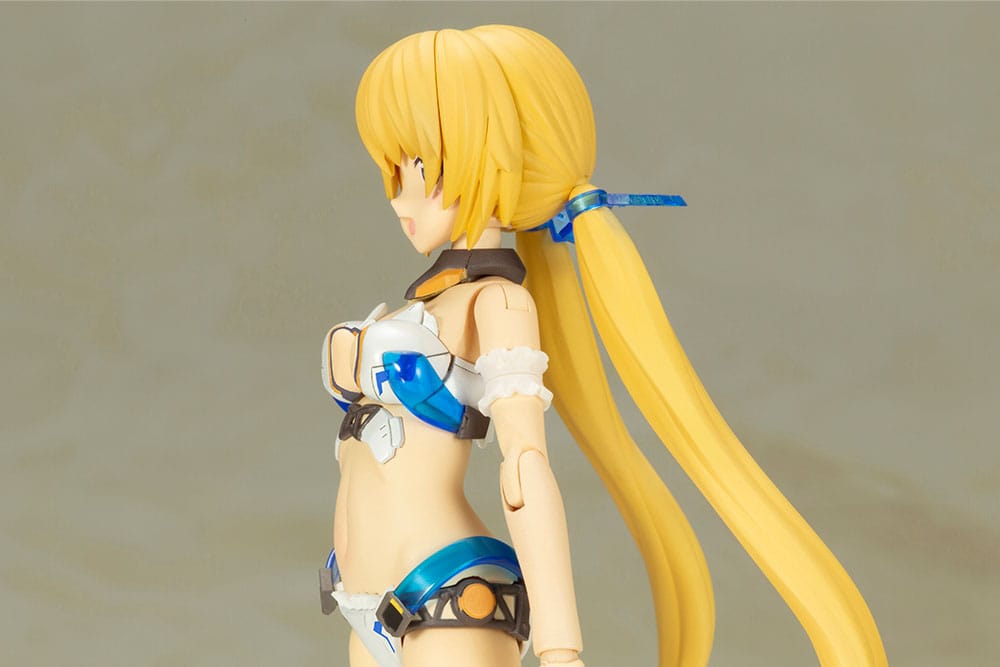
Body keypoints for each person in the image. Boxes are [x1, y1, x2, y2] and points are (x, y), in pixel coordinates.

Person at [320, 25, 888, 667]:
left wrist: (560, 645)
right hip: (367, 605)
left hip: (445, 600)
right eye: (391, 171)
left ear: (493, 161)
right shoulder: (425, 305)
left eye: (420, 168)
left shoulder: (499, 304)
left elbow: (525, 469)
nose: (400, 198)